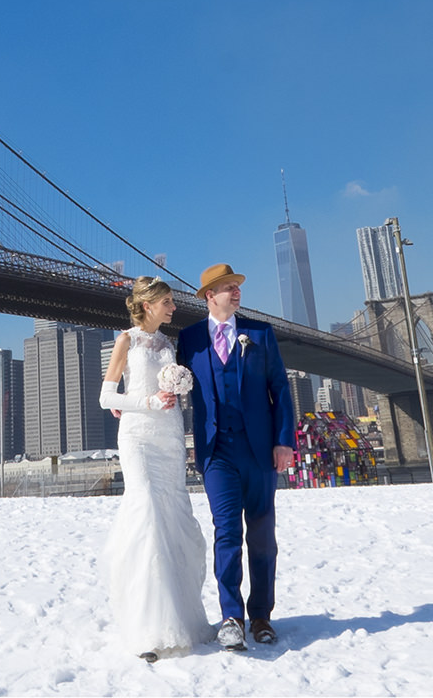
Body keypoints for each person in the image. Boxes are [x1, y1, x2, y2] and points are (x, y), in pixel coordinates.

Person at [175, 263, 297, 650]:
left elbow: (281, 389)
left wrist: (284, 441)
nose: (237, 291)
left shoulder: (260, 333)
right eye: (229, 287)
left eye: (237, 286)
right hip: (217, 453)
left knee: (262, 535)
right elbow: (174, 385)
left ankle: (261, 616)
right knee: (226, 533)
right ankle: (231, 616)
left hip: (260, 451)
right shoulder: (189, 339)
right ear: (210, 295)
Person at [98, 276, 211, 661]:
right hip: (139, 437)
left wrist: (176, 390)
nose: (174, 308)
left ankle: (181, 619)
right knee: (145, 511)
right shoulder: (125, 341)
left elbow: (166, 387)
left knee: (171, 519)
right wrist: (146, 402)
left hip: (169, 435)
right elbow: (106, 397)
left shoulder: (167, 343)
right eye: (167, 302)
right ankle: (147, 629)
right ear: (147, 305)